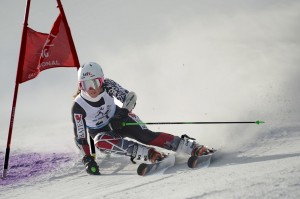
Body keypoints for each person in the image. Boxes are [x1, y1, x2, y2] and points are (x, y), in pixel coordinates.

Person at [72, 62, 209, 175]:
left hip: (120, 120)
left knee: (146, 136)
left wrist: (122, 113)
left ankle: (191, 147)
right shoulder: (78, 106)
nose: (91, 89)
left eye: (95, 83)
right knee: (99, 142)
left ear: (101, 80)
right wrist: (88, 159)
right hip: (102, 133)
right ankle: (151, 154)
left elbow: (130, 97)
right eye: (85, 85)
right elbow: (81, 137)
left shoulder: (108, 85)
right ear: (80, 86)